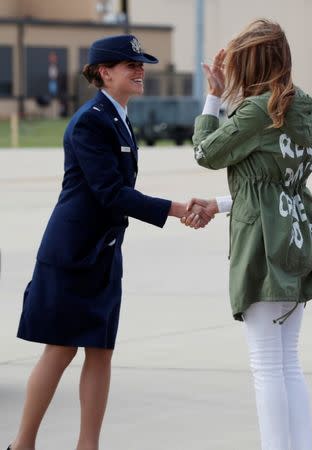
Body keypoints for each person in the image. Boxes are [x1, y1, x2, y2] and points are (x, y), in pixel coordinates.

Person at [7, 35, 213, 450]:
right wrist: (177, 208)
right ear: (104, 72)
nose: (140, 71)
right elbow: (110, 192)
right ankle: (22, 445)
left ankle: (89, 446)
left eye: (141, 65)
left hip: (103, 253)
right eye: (129, 65)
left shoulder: (117, 116)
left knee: (100, 351)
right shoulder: (90, 120)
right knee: (61, 349)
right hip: (72, 253)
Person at [183, 19, 312, 450]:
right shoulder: (305, 107)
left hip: (262, 248)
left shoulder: (258, 110)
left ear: (250, 63)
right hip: (298, 240)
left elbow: (205, 151)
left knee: (266, 367)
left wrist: (212, 94)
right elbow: (278, 183)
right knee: (288, 364)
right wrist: (222, 204)